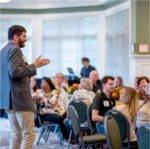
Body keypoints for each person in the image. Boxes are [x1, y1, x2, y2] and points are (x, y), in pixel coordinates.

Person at [0, 25, 50, 149]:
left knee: (16, 135)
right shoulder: (15, 49)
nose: (25, 39)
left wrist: (31, 65)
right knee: (29, 134)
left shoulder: (3, 50)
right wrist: (34, 65)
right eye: (23, 36)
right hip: (20, 99)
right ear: (15, 37)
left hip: (9, 100)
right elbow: (15, 72)